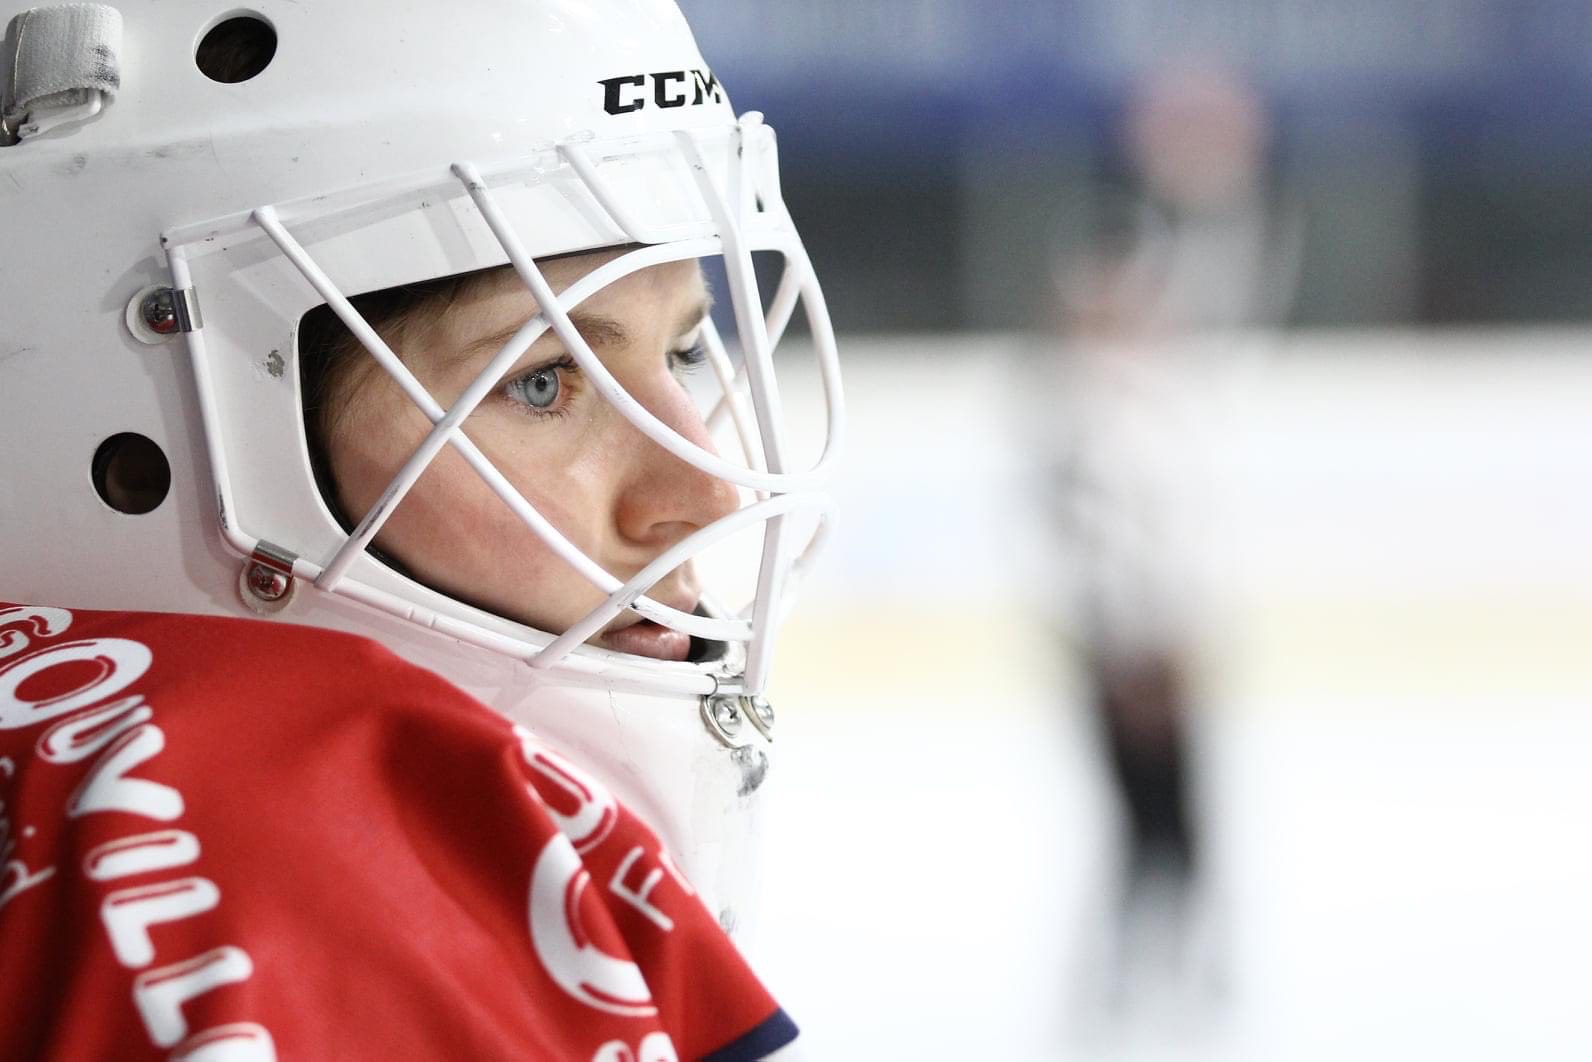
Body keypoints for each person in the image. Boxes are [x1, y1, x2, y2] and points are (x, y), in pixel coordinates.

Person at [0, 1, 842, 1058]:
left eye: (680, 352)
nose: (706, 491)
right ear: (132, 452)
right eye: (538, 380)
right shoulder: (283, 871)